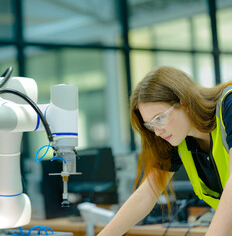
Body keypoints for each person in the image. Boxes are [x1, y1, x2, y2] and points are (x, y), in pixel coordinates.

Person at [97, 66, 232, 236]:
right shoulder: (179, 138)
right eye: (150, 125)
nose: (157, 132)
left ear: (184, 102)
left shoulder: (229, 105)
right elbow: (145, 195)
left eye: (159, 118)